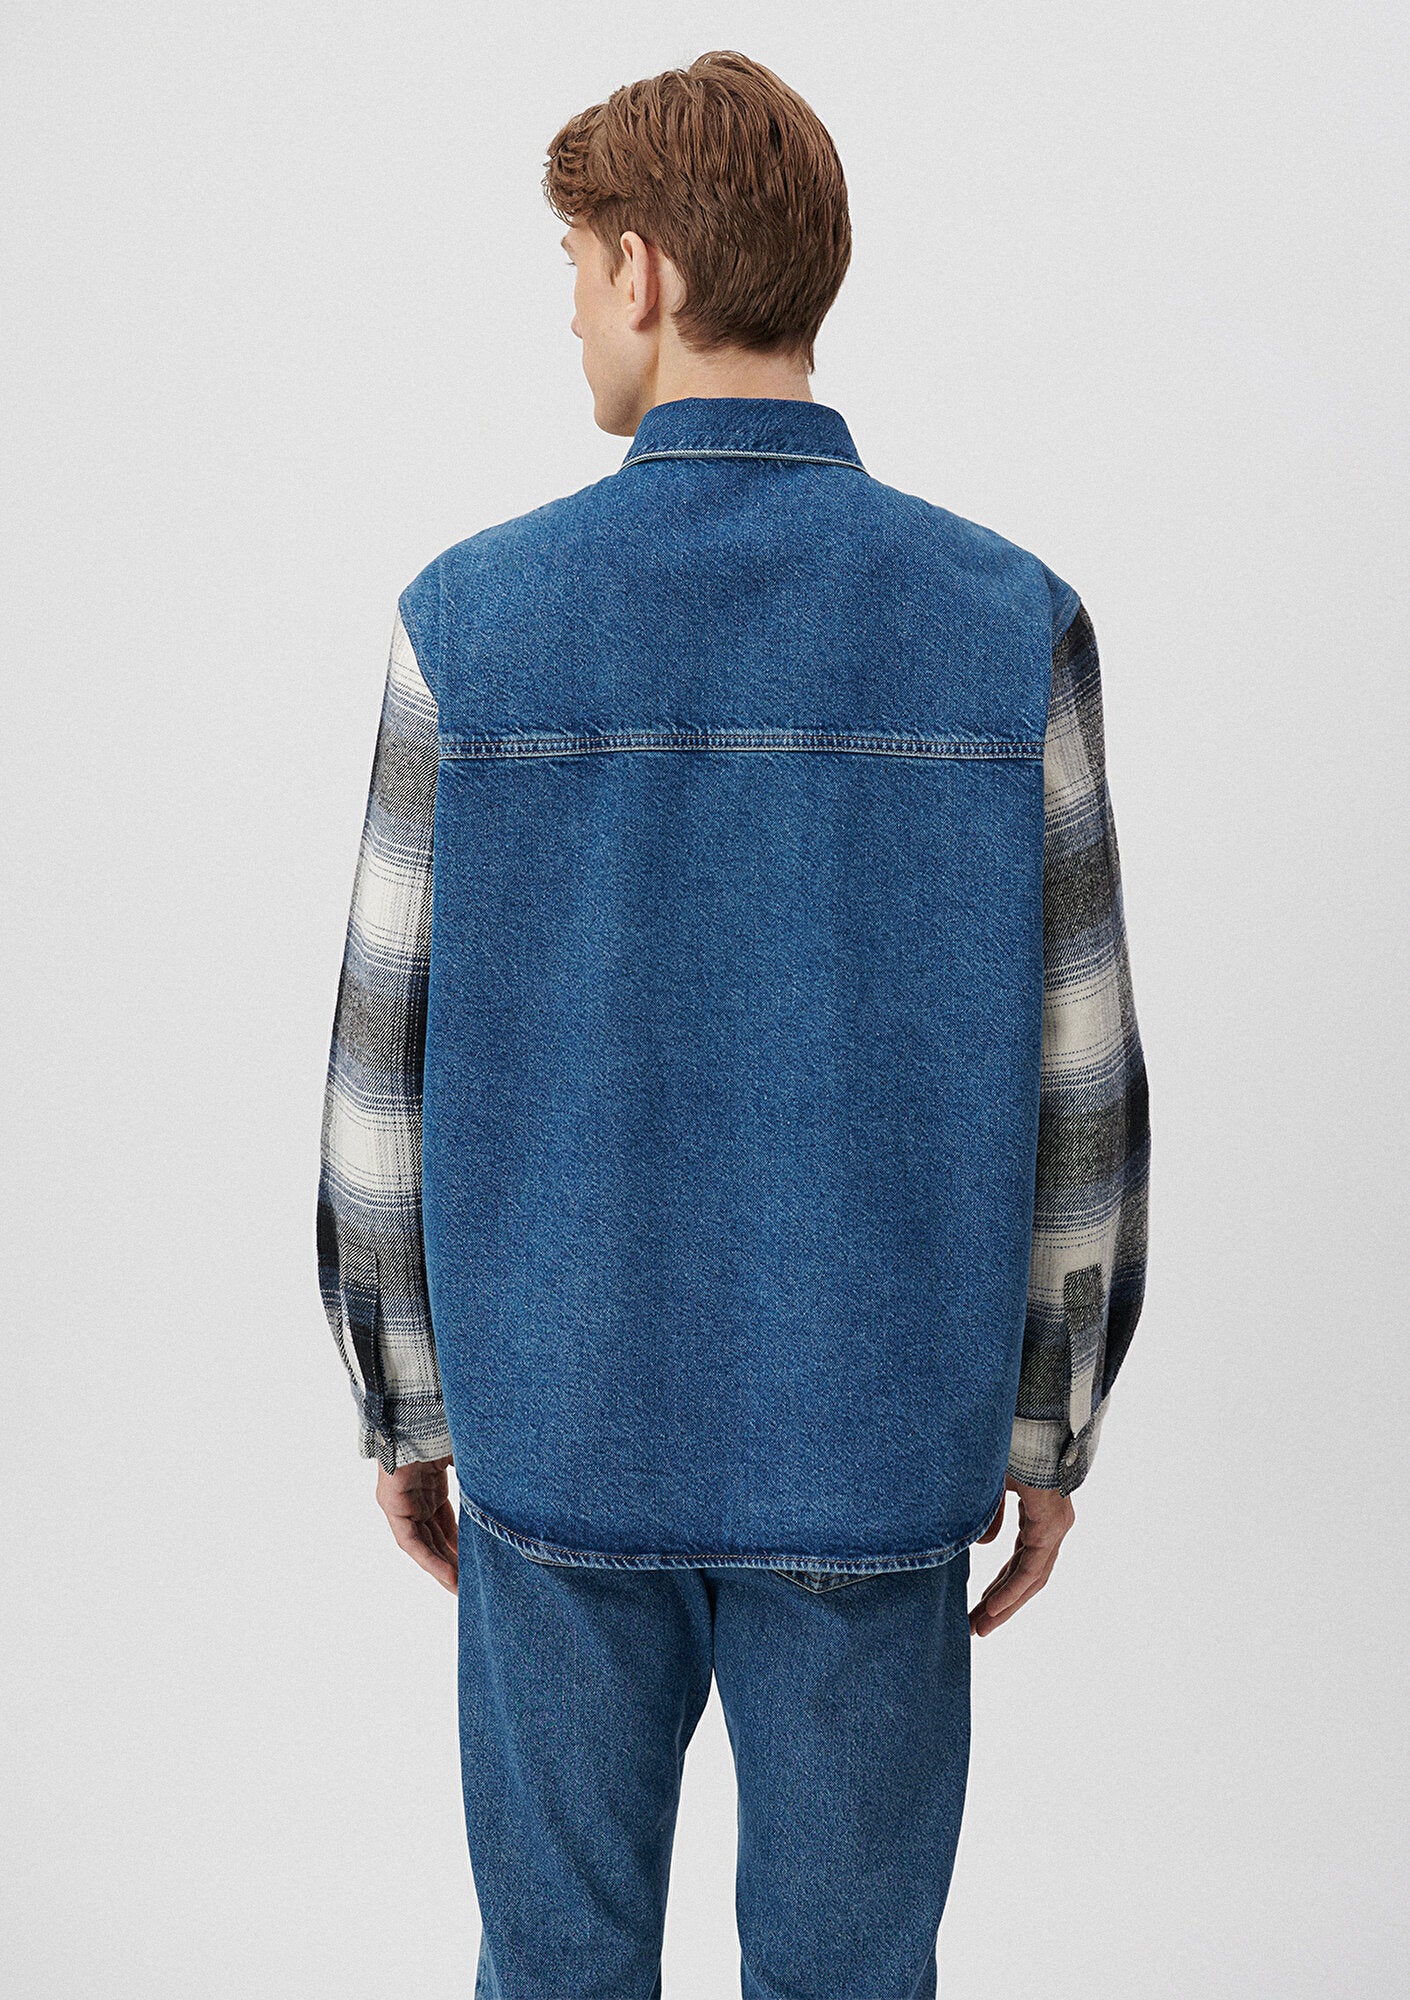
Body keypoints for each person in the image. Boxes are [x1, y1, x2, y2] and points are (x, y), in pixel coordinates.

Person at [316, 48, 1150, 2000]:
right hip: (875, 1435)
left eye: (572, 267)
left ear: (644, 268)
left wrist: (404, 1398)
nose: (570, 315)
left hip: (558, 1424)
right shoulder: (1007, 620)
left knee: (555, 1967)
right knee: (851, 1975)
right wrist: (1048, 1413)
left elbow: (377, 1071)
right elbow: (1080, 1082)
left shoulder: (467, 620)